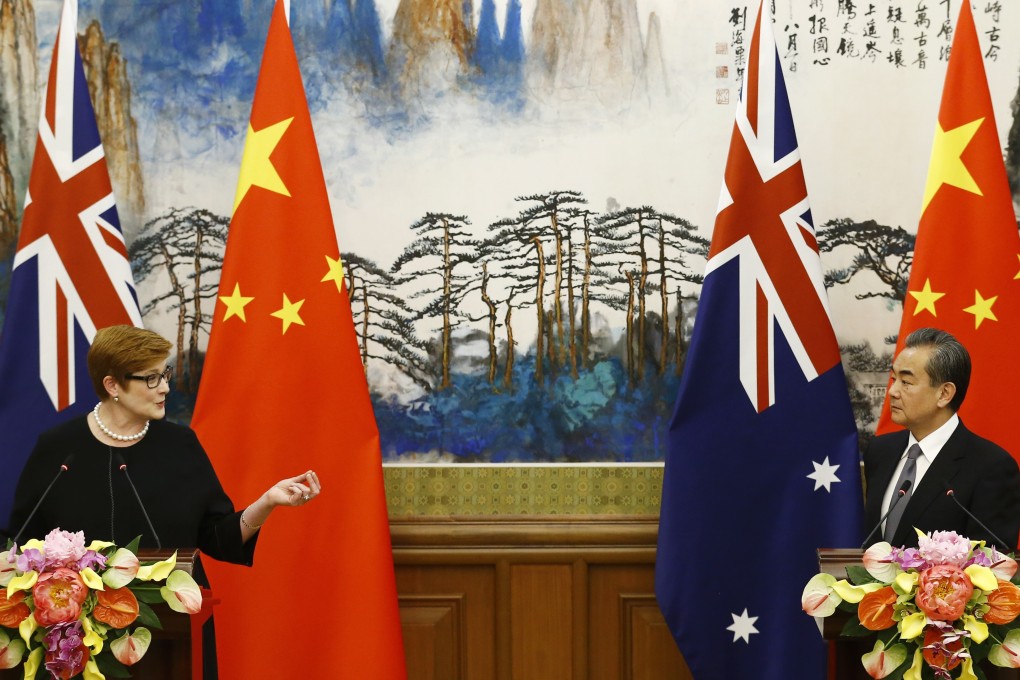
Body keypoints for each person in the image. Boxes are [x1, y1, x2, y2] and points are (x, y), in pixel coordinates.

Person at [4, 325, 321, 677]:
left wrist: (267, 501)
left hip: (169, 643)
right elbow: (19, 545)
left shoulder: (180, 447)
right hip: (75, 646)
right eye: (152, 379)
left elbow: (216, 537)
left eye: (165, 374)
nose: (165, 387)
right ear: (113, 386)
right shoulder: (58, 448)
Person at [863, 327, 1020, 551]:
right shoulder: (880, 451)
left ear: (944, 394)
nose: (893, 391)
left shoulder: (991, 467)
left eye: (906, 382)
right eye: (893, 378)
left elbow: (991, 568)